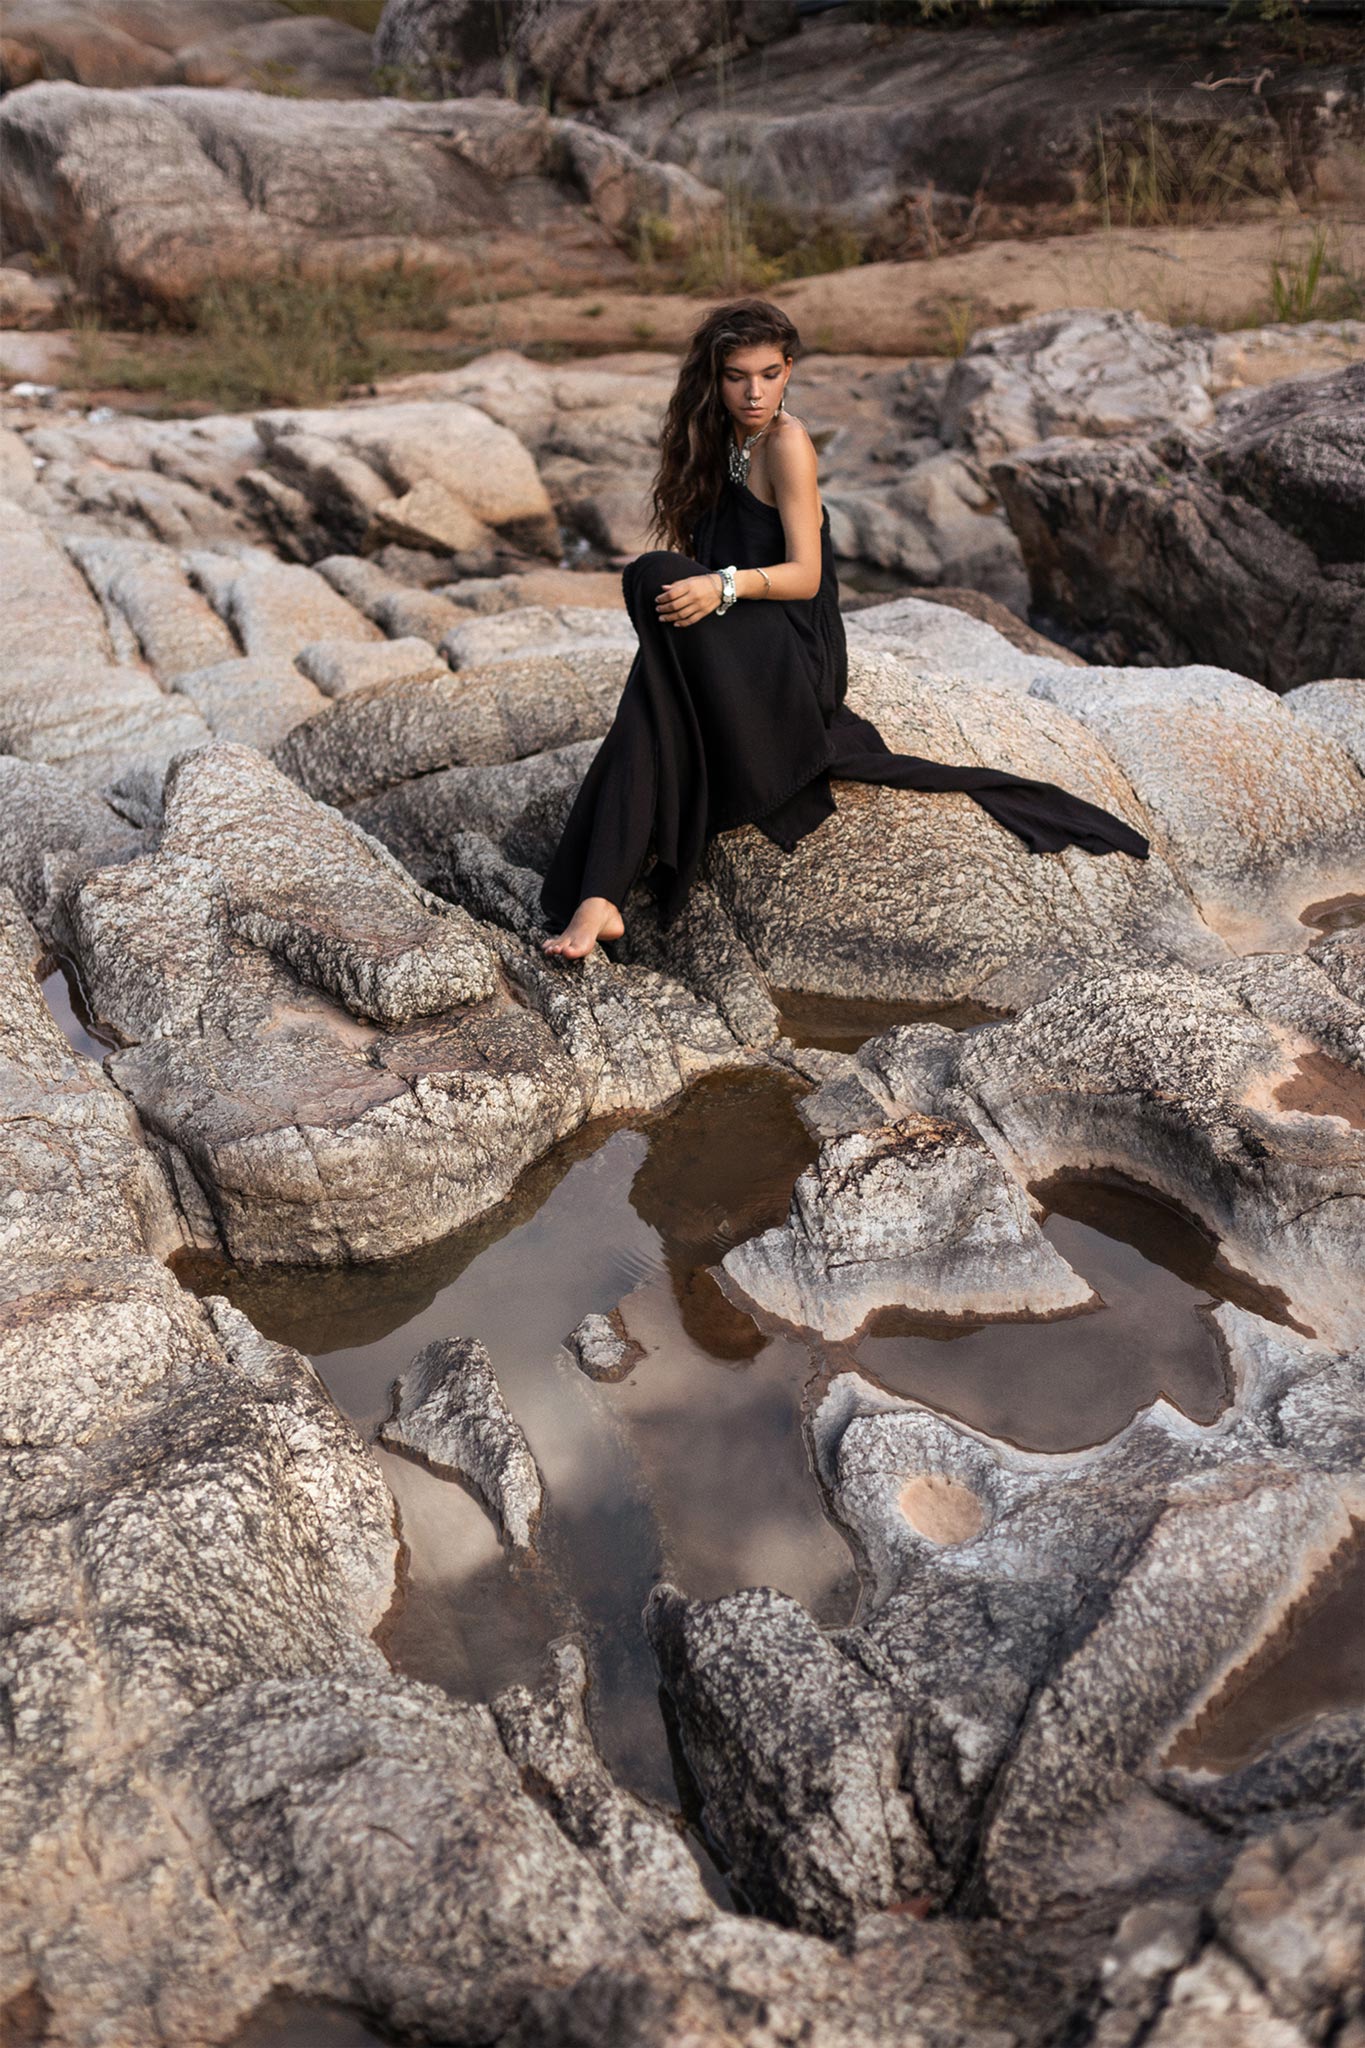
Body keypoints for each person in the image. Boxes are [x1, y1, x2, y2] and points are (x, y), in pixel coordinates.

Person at [540, 298, 1148, 959]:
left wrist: (722, 586)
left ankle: (598, 895)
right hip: (738, 637)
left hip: (793, 652)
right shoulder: (714, 442)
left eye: (769, 374)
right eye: (737, 375)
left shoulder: (787, 444)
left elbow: (803, 574)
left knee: (655, 593)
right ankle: (599, 901)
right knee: (655, 631)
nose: (754, 392)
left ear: (789, 370)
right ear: (712, 379)